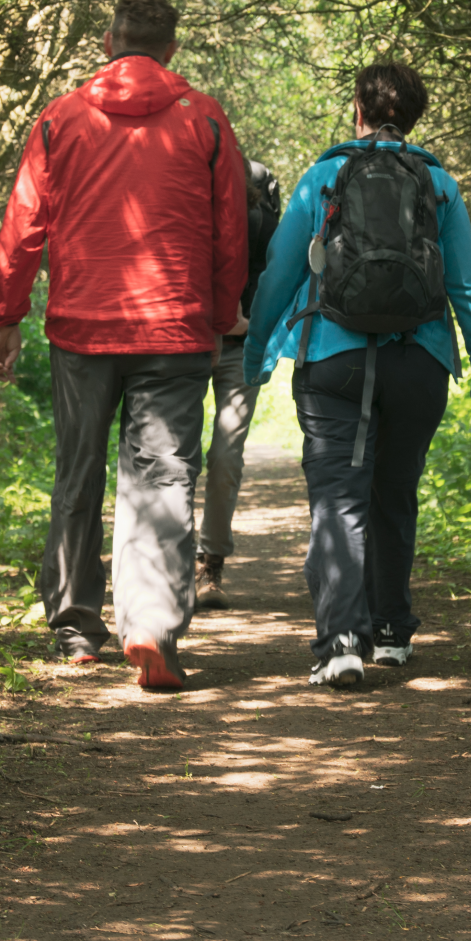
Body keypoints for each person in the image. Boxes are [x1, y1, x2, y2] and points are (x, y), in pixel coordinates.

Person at [0, 0, 246, 692]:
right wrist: (221, 313)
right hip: (177, 328)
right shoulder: (205, 120)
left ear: (108, 42)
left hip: (82, 328)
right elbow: (231, 230)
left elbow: (23, 225)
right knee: (162, 476)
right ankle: (152, 625)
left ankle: (76, 626)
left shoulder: (61, 118)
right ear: (170, 50)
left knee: (78, 473)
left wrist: (4, 316)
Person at [243, 60, 471, 690]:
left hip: (335, 357)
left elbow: (279, 274)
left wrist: (255, 357)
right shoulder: (439, 184)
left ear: (357, 109)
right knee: (394, 491)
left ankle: (340, 645)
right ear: (414, 116)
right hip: (420, 361)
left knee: (338, 496)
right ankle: (390, 632)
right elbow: (466, 286)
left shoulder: (324, 176)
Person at [191, 152, 284, 612]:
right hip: (185, 345)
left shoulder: (260, 206)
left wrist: (260, 329)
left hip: (240, 346)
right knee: (177, 457)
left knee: (225, 457)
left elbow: (276, 275)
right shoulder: (182, 194)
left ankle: (211, 564)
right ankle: (169, 564)